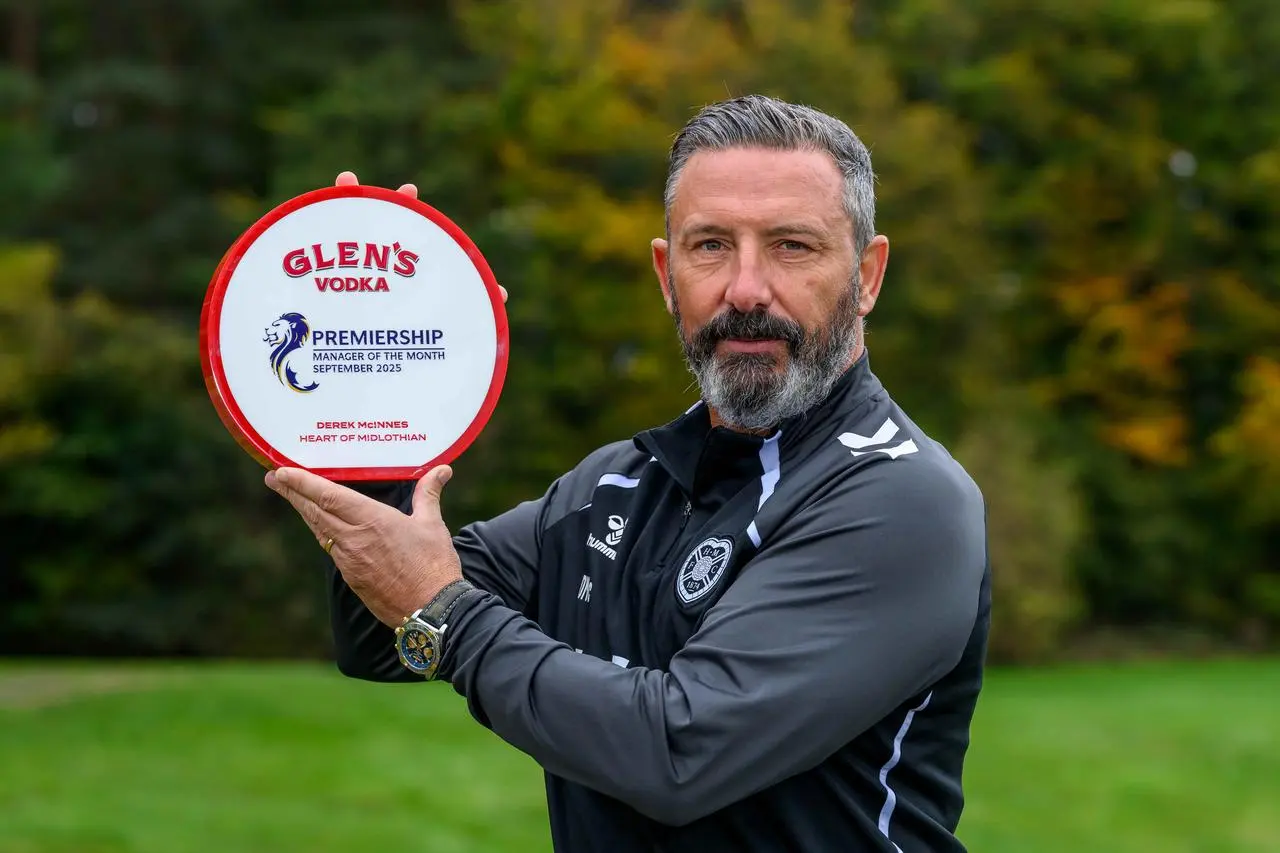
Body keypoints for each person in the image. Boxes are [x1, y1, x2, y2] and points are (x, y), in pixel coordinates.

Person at [267, 94, 991, 852]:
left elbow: (678, 752)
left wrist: (444, 613)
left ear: (868, 275)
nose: (745, 289)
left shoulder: (903, 499)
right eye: (710, 245)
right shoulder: (618, 484)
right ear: (665, 272)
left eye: (791, 246)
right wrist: (383, 400)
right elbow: (378, 631)